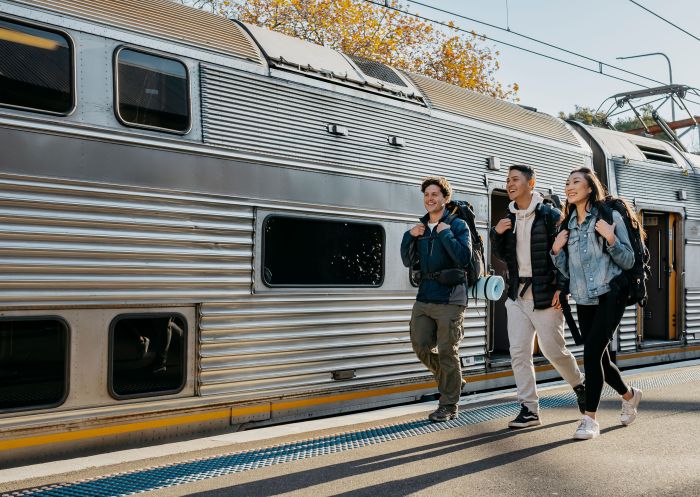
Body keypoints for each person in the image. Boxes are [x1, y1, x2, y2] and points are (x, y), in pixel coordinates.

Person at [490, 165, 586, 429]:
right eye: (507, 180)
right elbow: (503, 255)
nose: (509, 184)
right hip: (516, 296)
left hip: (545, 295)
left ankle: (580, 385)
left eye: (515, 179)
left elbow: (566, 254)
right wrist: (495, 233)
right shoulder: (507, 217)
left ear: (531, 184)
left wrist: (562, 288)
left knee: (553, 350)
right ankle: (529, 409)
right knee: (519, 353)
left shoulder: (550, 215)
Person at [551, 167, 643, 440]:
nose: (569, 187)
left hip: (610, 294)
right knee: (599, 358)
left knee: (591, 354)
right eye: (567, 183)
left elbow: (629, 260)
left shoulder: (609, 216)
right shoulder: (567, 225)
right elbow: (567, 272)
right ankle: (630, 395)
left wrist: (612, 238)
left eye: (576, 182)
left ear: (590, 188)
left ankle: (589, 420)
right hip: (583, 297)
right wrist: (556, 251)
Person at [400, 176, 472, 422]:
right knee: (420, 345)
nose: (429, 199)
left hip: (451, 298)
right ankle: (452, 379)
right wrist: (409, 236)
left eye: (434, 195)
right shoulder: (419, 228)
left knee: (447, 351)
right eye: (426, 195)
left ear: (445, 198)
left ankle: (448, 404)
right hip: (425, 296)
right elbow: (407, 261)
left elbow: (464, 258)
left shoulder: (458, 225)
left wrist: (446, 234)